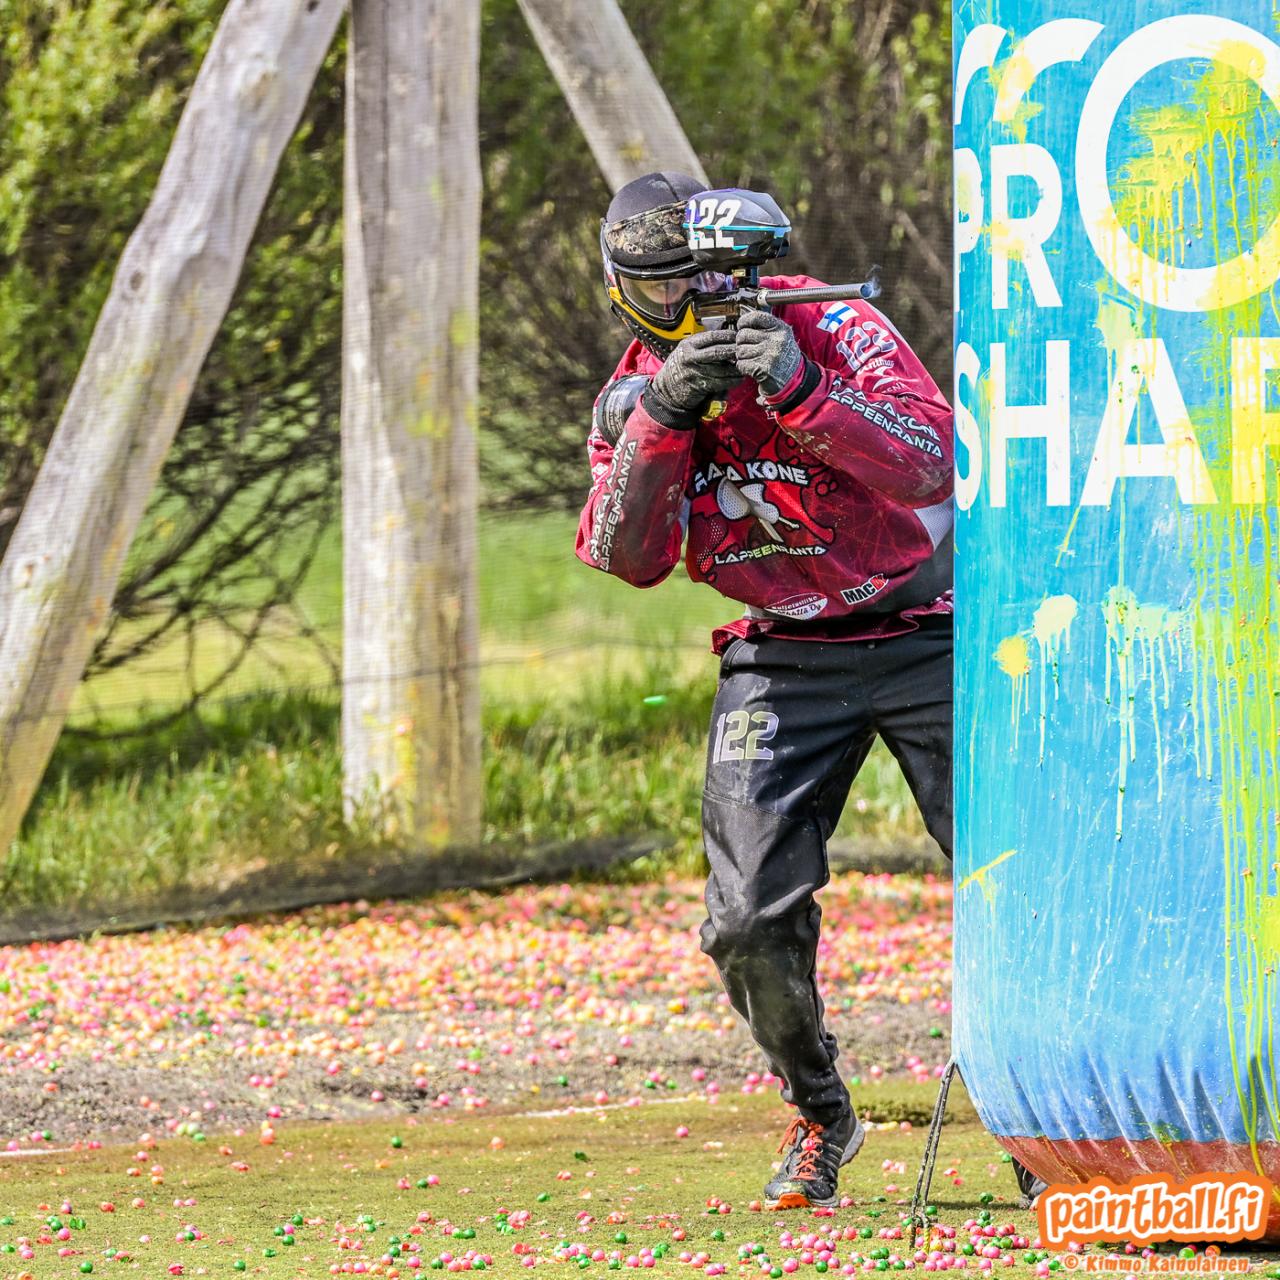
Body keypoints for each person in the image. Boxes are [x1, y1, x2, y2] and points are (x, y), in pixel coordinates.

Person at [575, 170, 1044, 1212]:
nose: (688, 306)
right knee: (744, 919)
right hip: (782, 650)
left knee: (1009, 872)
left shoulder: (829, 326)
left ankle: (1039, 1117)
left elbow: (933, 463)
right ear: (619, 290)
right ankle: (821, 1114)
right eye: (659, 291)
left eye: (702, 280)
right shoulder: (636, 390)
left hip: (931, 628)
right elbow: (622, 555)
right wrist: (662, 418)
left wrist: (800, 389)